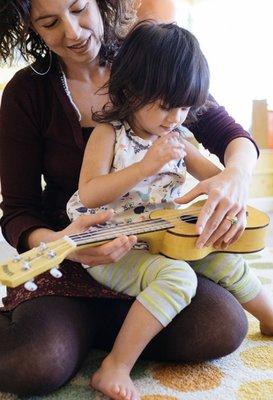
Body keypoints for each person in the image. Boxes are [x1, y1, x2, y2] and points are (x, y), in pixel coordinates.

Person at [0, 0, 258, 397]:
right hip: (72, 254)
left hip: (150, 251)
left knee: (223, 325)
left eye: (79, 8)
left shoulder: (150, 63)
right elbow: (18, 211)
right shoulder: (27, 92)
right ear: (30, 28)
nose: (72, 32)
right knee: (32, 364)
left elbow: (232, 137)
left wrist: (233, 179)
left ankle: (102, 333)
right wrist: (62, 245)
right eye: (50, 23)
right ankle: (78, 329)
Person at [66, 21, 273, 400]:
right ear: (130, 90)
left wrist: (224, 194)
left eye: (185, 107)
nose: (175, 117)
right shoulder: (109, 134)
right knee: (179, 279)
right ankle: (115, 365)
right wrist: (145, 167)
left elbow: (216, 177)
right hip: (113, 244)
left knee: (223, 259)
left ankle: (270, 317)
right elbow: (90, 192)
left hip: (164, 235)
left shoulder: (177, 136)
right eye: (165, 106)